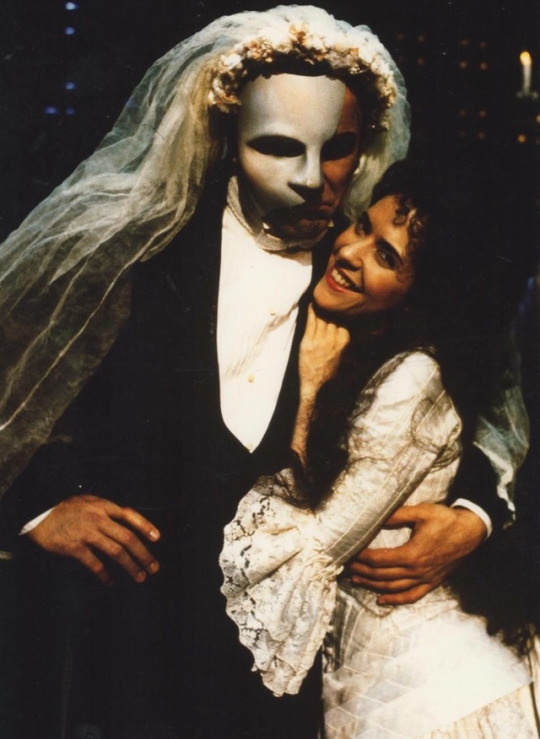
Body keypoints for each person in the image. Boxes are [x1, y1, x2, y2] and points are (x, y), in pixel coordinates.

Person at [0, 6, 527, 738]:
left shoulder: (372, 272)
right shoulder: (140, 250)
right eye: (277, 147)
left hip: (295, 689)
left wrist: (473, 517)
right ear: (226, 138)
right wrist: (34, 505)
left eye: (338, 149)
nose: (313, 180)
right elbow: (20, 381)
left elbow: (482, 397)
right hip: (132, 654)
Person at [220, 159, 539, 737]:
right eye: (362, 226)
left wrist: (310, 389)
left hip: (425, 695)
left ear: (422, 291)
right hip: (373, 684)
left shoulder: (415, 379)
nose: (349, 251)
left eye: (387, 257)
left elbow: (307, 551)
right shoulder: (359, 336)